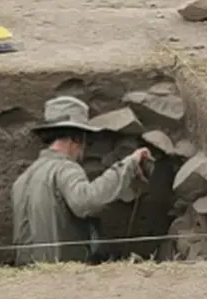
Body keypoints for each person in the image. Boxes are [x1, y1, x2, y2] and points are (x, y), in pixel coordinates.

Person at [10, 96, 152, 265]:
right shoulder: (64, 168)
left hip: (29, 281)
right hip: (62, 278)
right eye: (87, 140)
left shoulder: (22, 180)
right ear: (77, 138)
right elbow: (87, 201)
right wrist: (130, 164)